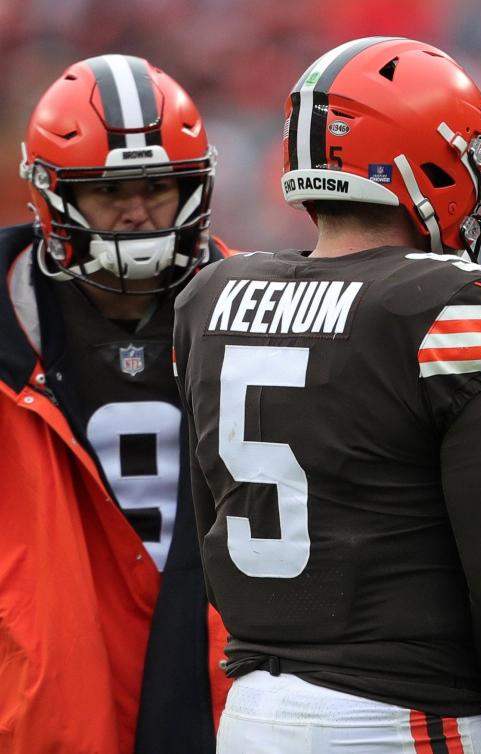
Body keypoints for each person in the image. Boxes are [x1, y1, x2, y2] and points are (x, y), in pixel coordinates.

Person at [173, 37, 481, 754]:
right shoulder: (448, 300)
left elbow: (210, 528)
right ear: (425, 159)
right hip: (400, 713)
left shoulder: (209, 295)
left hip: (251, 710)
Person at [0, 55, 233, 754]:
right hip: (49, 682)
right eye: (110, 192)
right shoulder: (14, 321)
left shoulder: (252, 307)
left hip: (215, 677)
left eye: (159, 186)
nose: (137, 211)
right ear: (50, 195)